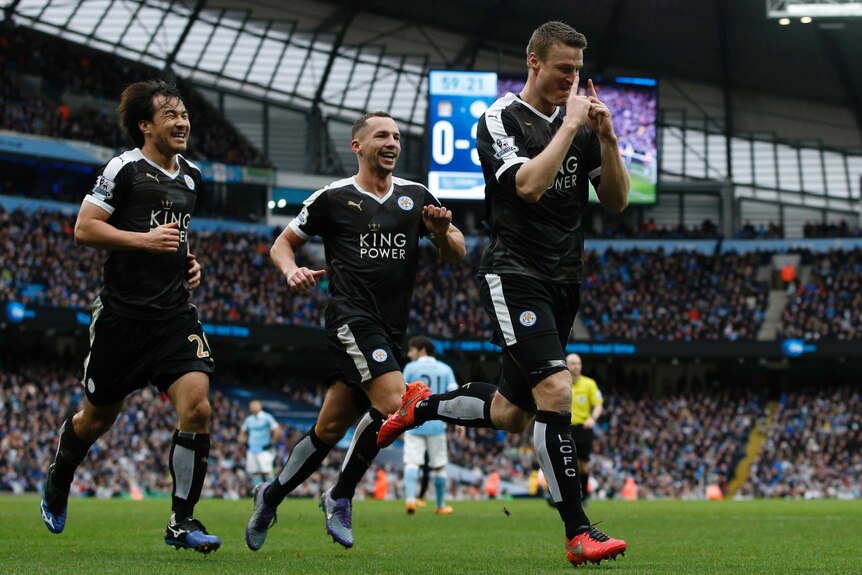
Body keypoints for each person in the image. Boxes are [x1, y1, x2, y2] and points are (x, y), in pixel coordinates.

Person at [378, 21, 629, 566]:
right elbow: (529, 185)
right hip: (515, 273)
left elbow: (615, 201)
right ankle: (578, 532)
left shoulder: (584, 127)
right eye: (564, 68)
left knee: (512, 413)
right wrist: (570, 128)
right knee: (557, 391)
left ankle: (423, 407)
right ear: (534, 62)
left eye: (578, 71)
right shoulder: (499, 119)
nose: (572, 79)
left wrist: (606, 138)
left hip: (567, 279)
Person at [245, 111, 465, 551]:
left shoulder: (415, 196)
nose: (392, 142)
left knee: (328, 429)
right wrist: (290, 271)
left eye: (398, 136)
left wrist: (441, 234)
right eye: (382, 135)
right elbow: (281, 244)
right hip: (351, 318)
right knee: (393, 402)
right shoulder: (332, 198)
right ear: (358, 145)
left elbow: (456, 250)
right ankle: (341, 495)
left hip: (391, 330)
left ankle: (270, 495)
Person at [39, 80, 221, 553]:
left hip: (174, 315)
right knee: (96, 420)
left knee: (198, 407)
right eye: (170, 115)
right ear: (145, 125)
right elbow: (84, 228)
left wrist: (189, 262)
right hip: (122, 317)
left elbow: (176, 236)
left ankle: (182, 522)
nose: (182, 121)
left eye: (184, 113)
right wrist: (143, 241)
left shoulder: (192, 176)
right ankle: (60, 477)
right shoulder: (124, 168)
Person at [401, 336, 459, 515]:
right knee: (439, 465)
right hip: (436, 423)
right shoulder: (445, 369)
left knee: (412, 462)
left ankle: (410, 500)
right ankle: (440, 506)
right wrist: (459, 422)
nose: (409, 355)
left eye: (411, 350)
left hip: (413, 423)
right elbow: (455, 396)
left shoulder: (410, 368)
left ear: (422, 350)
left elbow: (401, 395)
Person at [566, 354, 603, 502]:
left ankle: (584, 496)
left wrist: (592, 418)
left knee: (583, 464)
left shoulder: (589, 384)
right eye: (573, 364)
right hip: (564, 428)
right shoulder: (561, 383)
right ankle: (565, 496)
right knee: (565, 462)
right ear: (566, 365)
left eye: (578, 364)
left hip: (583, 429)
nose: (576, 366)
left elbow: (598, 405)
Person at [239, 399, 281, 490]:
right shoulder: (249, 419)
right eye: (251, 406)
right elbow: (242, 432)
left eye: (253, 406)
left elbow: (277, 430)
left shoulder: (267, 417)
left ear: (259, 406)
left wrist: (272, 443)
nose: (251, 408)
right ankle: (258, 493)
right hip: (252, 450)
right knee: (255, 472)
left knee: (267, 472)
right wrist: (244, 443)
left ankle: (274, 493)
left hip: (264, 449)